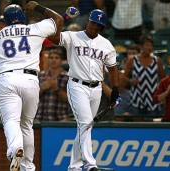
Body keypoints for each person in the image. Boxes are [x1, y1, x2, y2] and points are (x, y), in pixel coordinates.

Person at [0, 1, 65, 170]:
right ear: (23, 17)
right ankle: (28, 166)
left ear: (7, 19)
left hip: (7, 79)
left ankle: (14, 149)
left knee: (11, 120)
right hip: (31, 80)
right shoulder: (35, 29)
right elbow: (59, 19)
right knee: (27, 125)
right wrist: (39, 7)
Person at [48, 9, 120, 171]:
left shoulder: (106, 44)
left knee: (85, 127)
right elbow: (53, 37)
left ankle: (74, 167)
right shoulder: (73, 36)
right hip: (77, 85)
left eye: (99, 25)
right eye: (93, 22)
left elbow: (113, 68)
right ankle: (90, 165)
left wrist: (115, 89)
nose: (95, 26)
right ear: (88, 20)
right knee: (85, 123)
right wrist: (64, 19)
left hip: (97, 89)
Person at [124, 35, 166, 119]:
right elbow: (124, 77)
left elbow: (164, 79)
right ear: (141, 46)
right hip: (137, 98)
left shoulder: (157, 61)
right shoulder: (133, 60)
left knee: (152, 128)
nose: (150, 47)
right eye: (147, 45)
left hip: (153, 99)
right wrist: (131, 81)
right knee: (137, 126)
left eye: (151, 45)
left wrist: (161, 94)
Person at [36, 46, 70, 121]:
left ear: (61, 60)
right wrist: (41, 89)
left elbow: (70, 100)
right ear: (48, 60)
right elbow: (32, 99)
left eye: (56, 58)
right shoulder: (40, 76)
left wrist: (56, 89)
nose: (53, 60)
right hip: (41, 118)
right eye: (51, 58)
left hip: (61, 118)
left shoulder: (67, 77)